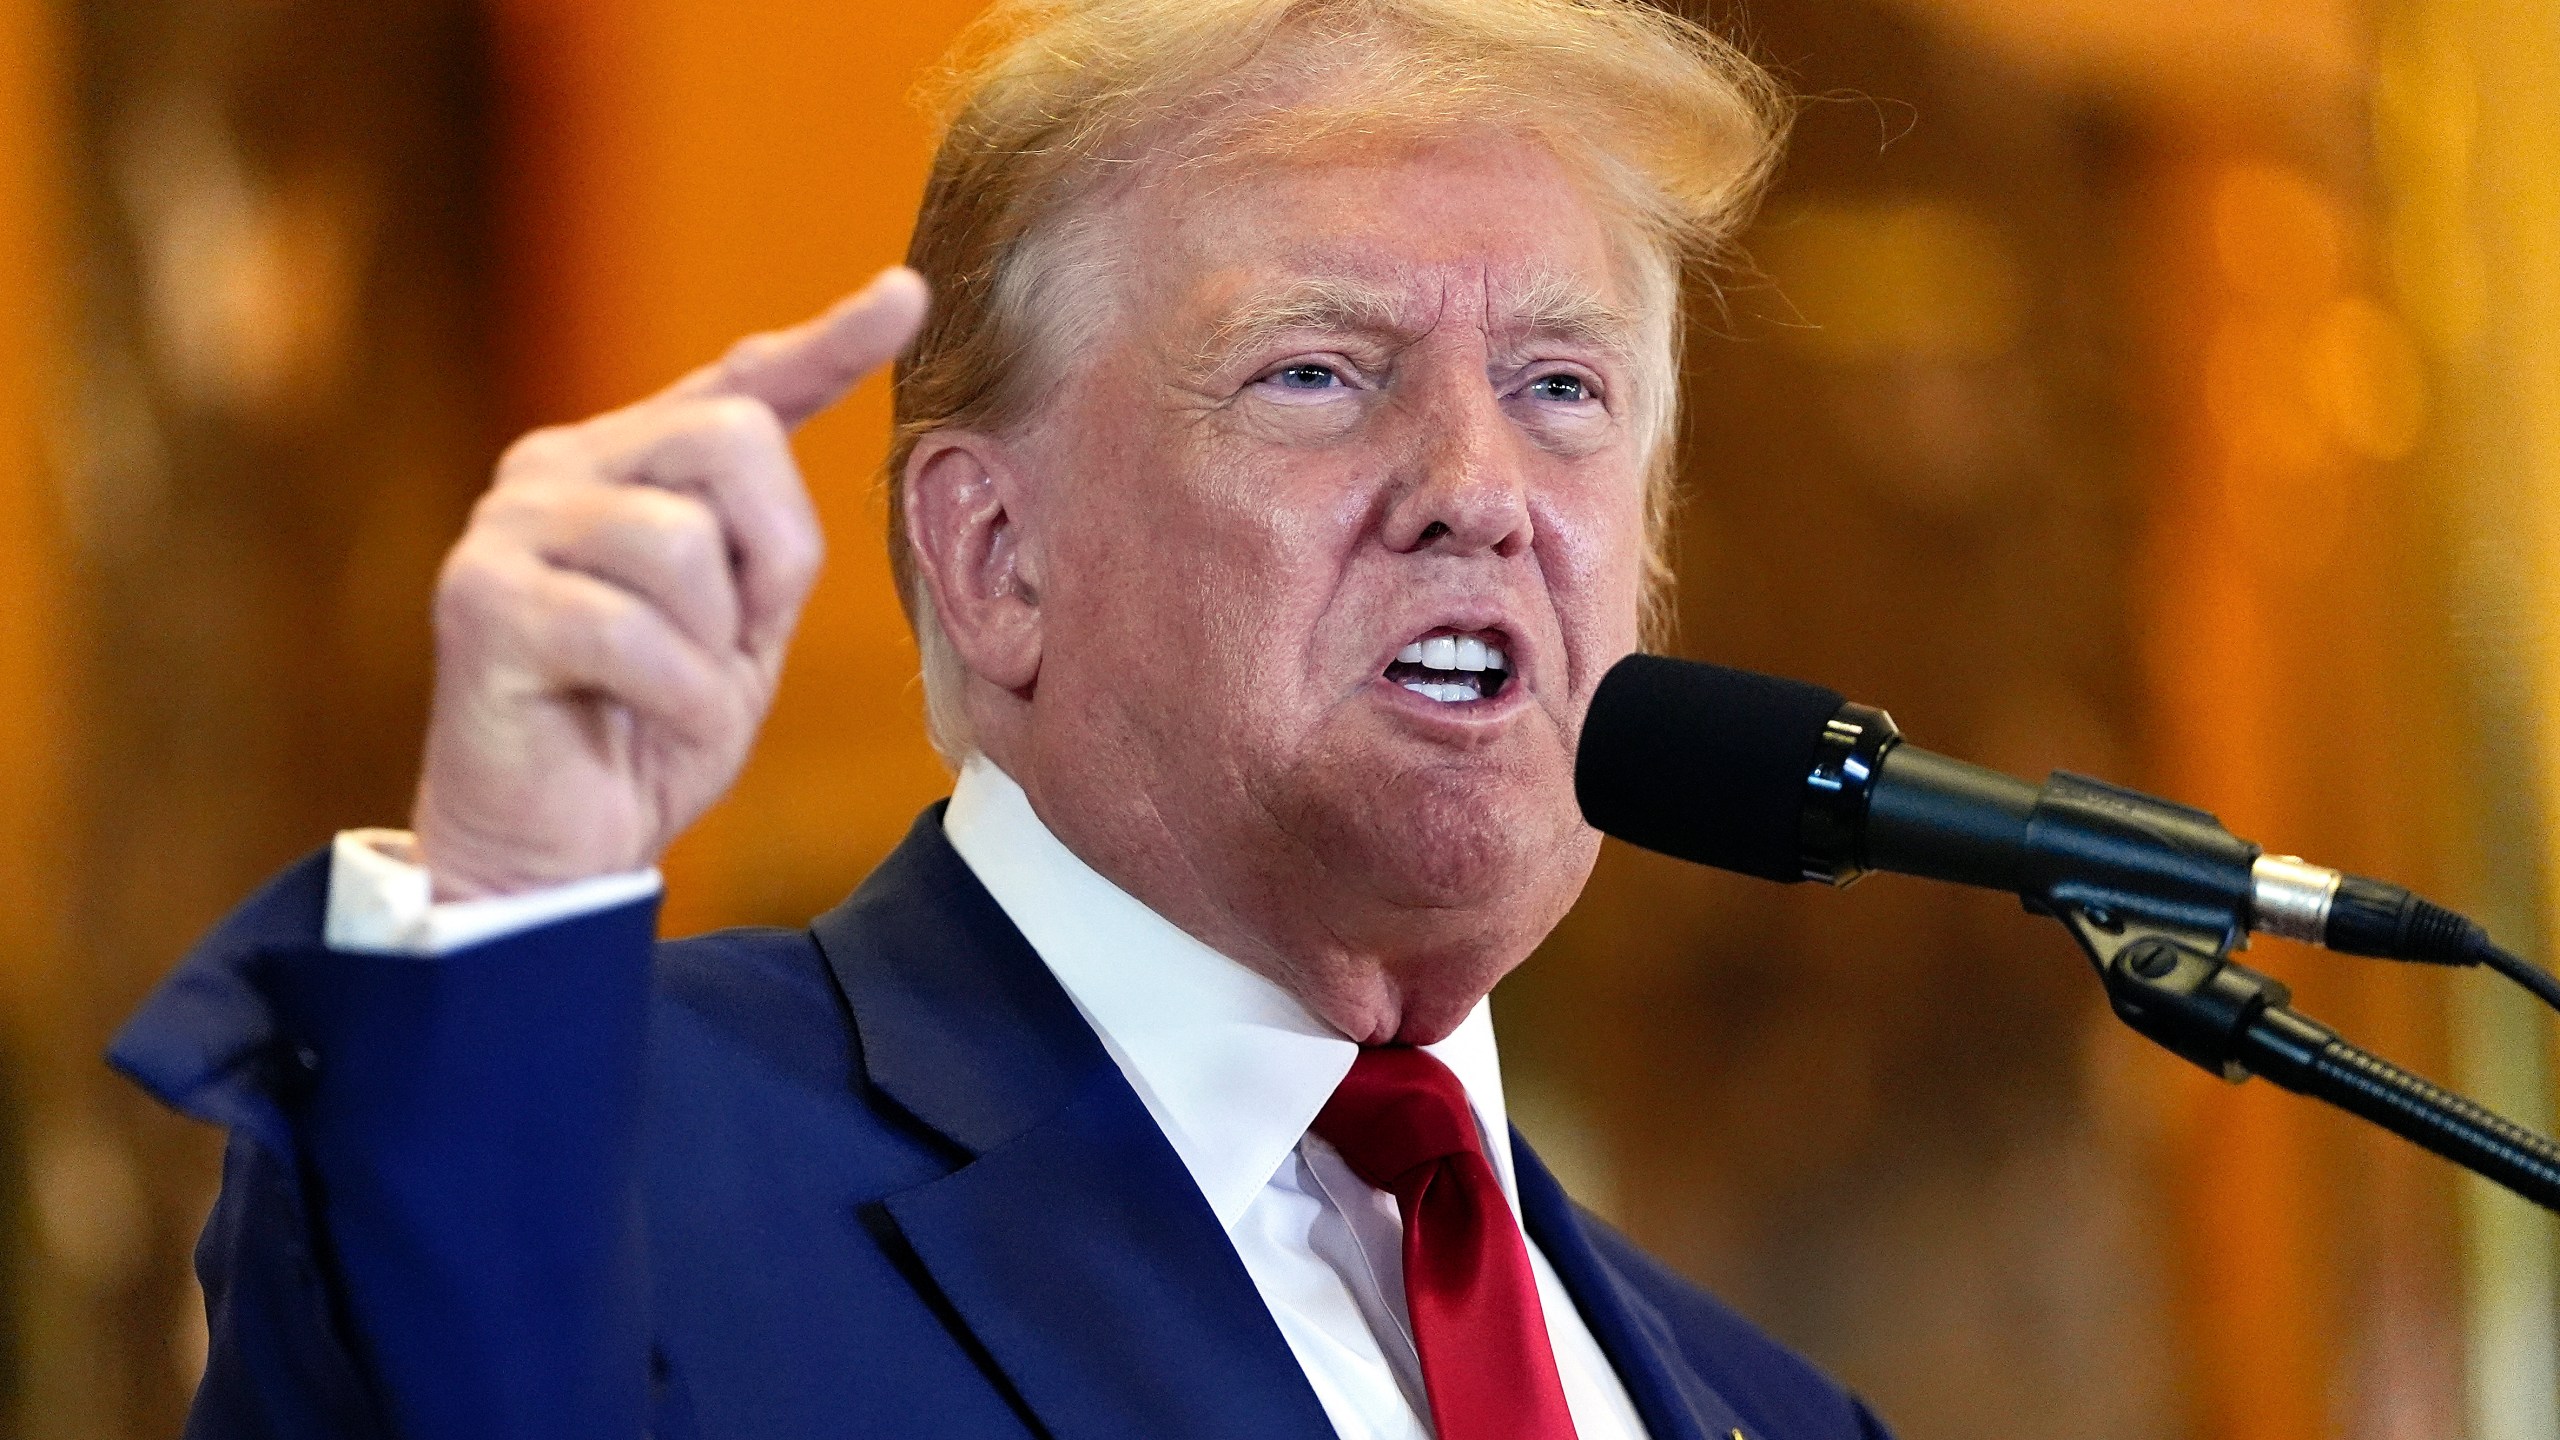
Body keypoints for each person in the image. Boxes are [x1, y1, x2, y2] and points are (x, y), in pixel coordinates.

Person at [112, 0, 1897, 1436]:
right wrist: (506, 904)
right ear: (993, 556)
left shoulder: (1770, 1408)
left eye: (1562, 387)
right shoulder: (619, 1158)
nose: (1476, 486)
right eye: (1318, 371)